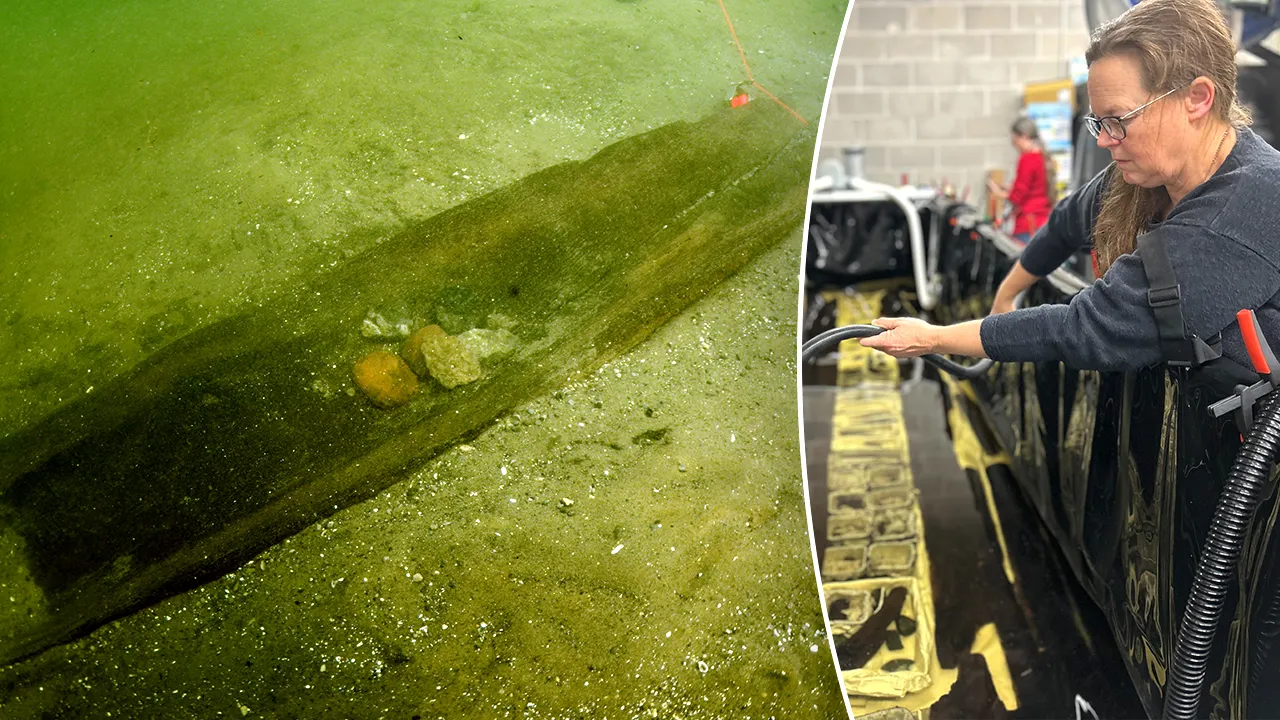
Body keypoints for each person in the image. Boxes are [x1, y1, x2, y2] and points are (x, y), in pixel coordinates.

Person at [861, 0, 1280, 374]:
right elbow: (1068, 220)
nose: (1102, 140)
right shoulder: (1148, 177)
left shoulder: (1244, 209)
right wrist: (1009, 292)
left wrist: (934, 338)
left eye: (1118, 119)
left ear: (1197, 99)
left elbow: (1089, 328)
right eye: (1098, 122)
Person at [986, 117, 1057, 245]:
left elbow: (1017, 196)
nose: (1014, 145)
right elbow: (1034, 188)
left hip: (1027, 224)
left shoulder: (1027, 159)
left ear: (1024, 137)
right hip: (1042, 221)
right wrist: (1007, 188)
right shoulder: (1042, 156)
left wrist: (996, 192)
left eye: (1015, 140)